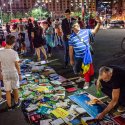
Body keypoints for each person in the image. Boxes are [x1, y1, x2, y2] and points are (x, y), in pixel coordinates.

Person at [69, 16, 101, 89]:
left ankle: (87, 82)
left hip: (86, 55)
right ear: (72, 28)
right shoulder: (71, 37)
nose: (78, 26)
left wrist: (99, 23)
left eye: (78, 24)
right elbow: (70, 49)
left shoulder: (86, 31)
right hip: (77, 56)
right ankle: (82, 77)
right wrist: (71, 59)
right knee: (77, 70)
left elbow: (95, 31)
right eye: (75, 25)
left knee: (86, 69)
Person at [0, 35, 22, 110]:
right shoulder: (14, 53)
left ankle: (9, 106)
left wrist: (0, 73)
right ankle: (16, 102)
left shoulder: (0, 52)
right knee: (15, 89)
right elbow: (17, 65)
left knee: (7, 91)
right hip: (13, 73)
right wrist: (20, 74)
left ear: (5, 41)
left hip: (5, 73)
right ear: (13, 43)